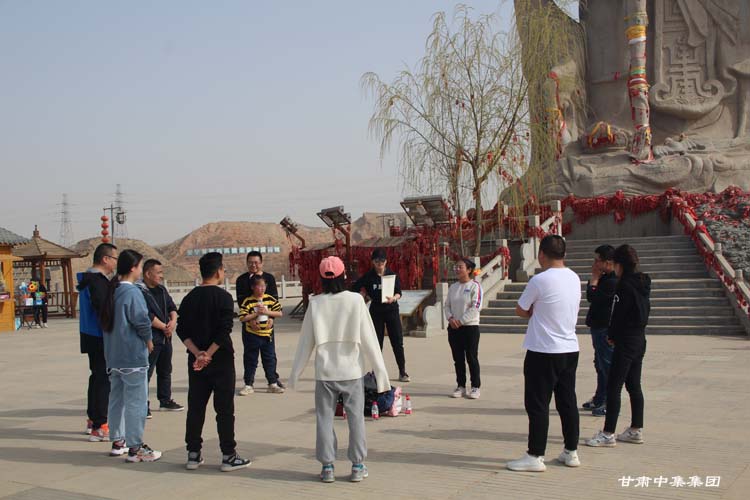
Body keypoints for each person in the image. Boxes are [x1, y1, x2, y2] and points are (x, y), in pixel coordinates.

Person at [289, 256, 389, 484]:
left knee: (324, 419)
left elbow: (305, 343)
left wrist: (295, 375)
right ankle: (357, 466)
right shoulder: (355, 301)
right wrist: (381, 375)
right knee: (356, 419)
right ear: (344, 276)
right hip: (351, 372)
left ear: (321, 278)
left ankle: (327, 467)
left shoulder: (315, 303)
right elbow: (370, 339)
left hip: (325, 373)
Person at [507, 235, 582, 472]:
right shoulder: (574, 277)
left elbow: (521, 309)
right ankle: (571, 451)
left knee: (538, 404)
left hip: (543, 350)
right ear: (564, 254)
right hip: (569, 348)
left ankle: (535, 455)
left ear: (541, 255)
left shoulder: (540, 280)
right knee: (567, 402)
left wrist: (535, 312)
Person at [176, 252, 251, 472]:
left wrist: (198, 354)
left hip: (196, 362)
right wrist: (208, 354)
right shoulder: (224, 297)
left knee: (196, 407)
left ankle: (193, 453)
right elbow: (224, 330)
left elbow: (181, 329)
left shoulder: (189, 298)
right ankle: (228, 455)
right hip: (221, 360)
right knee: (224, 409)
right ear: (219, 271)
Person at [98, 249, 161, 462]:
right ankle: (136, 447)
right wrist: (149, 341)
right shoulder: (132, 292)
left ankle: (118, 441)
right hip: (132, 356)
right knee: (136, 402)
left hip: (114, 355)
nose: (141, 270)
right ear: (133, 268)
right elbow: (142, 320)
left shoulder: (112, 290)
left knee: (117, 399)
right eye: (140, 266)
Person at [586, 244, 650, 448]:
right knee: (634, 385)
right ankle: (636, 429)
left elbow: (618, 314)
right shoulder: (643, 282)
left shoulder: (624, 286)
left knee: (614, 387)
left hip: (625, 340)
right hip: (639, 338)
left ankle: (608, 433)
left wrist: (612, 335)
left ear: (619, 264)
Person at [77, 242, 118, 441]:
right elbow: (103, 309)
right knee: (103, 379)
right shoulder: (97, 281)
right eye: (114, 259)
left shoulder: (87, 278)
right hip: (100, 335)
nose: (115, 263)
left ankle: (93, 419)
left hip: (89, 333)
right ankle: (100, 425)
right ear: (105, 259)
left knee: (96, 377)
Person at [351, 248, 410, 382]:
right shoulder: (369, 276)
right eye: (377, 261)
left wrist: (394, 298)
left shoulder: (391, 275)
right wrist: (364, 294)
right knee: (377, 343)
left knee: (397, 342)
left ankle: (402, 371)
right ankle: (376, 372)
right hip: (376, 311)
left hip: (391, 310)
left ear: (386, 261)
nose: (380, 263)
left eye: (382, 260)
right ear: (373, 262)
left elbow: (399, 292)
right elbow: (355, 287)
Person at [138, 259, 183, 417]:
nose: (161, 276)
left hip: (165, 337)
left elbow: (172, 307)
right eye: (158, 273)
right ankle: (143, 405)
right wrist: (164, 327)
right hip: (151, 338)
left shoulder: (162, 290)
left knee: (165, 370)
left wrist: (173, 322)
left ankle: (165, 400)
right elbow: (146, 315)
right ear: (148, 274)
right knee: (146, 372)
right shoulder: (140, 292)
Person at [235, 250, 283, 389]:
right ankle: (248, 383)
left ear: (261, 263)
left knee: (270, 355)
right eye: (250, 262)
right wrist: (250, 319)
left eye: (256, 262)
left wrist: (271, 318)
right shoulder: (241, 280)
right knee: (250, 356)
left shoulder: (269, 278)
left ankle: (273, 380)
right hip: (250, 325)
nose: (253, 265)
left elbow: (275, 300)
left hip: (267, 325)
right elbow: (241, 302)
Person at [583, 245, 617, 417]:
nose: (594, 264)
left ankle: (608, 401)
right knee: (600, 364)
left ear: (608, 262)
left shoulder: (612, 281)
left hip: (605, 327)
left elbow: (592, 297)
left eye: (598, 260)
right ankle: (599, 397)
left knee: (606, 365)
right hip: (597, 326)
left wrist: (594, 279)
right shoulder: (605, 278)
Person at [444, 258, 483, 399]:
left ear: (469, 270)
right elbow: (447, 306)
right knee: (458, 359)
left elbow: (476, 307)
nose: (457, 269)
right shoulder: (453, 287)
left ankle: (475, 387)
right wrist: (450, 319)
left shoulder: (475, 286)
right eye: (456, 267)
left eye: (460, 267)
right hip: (454, 328)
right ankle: (461, 385)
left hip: (470, 327)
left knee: (471, 357)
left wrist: (461, 321)